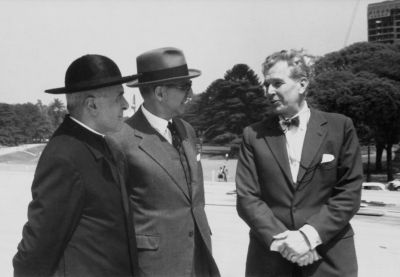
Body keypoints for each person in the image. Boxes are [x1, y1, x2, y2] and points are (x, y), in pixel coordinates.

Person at [235, 49, 363, 277]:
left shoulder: (340, 128)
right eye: (266, 85)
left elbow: (349, 193)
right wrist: (287, 244)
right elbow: (247, 198)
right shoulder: (252, 135)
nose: (269, 91)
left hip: (329, 259)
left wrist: (308, 237)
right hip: (270, 260)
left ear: (302, 85)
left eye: (277, 83)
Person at [13, 54, 138, 277]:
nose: (126, 105)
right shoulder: (65, 157)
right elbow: (37, 250)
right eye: (119, 97)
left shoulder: (102, 144)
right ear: (92, 105)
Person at [110, 47, 220, 277]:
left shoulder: (186, 129)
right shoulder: (119, 140)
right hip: (154, 267)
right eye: (184, 87)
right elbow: (112, 217)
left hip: (199, 260)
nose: (191, 93)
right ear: (160, 92)